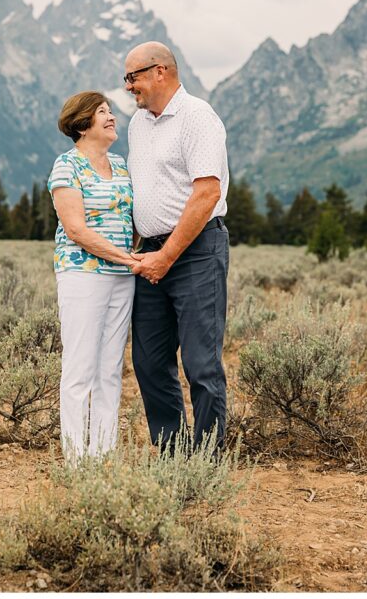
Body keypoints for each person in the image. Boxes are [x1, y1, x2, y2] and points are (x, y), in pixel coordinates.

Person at [123, 41, 229, 452]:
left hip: (197, 252)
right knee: (149, 362)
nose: (129, 87)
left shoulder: (198, 117)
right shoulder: (137, 124)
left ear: (160, 72)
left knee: (202, 364)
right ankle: (171, 455)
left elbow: (206, 193)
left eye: (132, 77)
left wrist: (167, 256)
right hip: (150, 252)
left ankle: (206, 462)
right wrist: (143, 251)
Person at [47, 92, 139, 462]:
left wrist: (130, 257)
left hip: (121, 277)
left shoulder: (120, 165)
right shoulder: (66, 166)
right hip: (83, 275)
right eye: (102, 112)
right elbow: (76, 230)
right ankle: (75, 460)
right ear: (83, 124)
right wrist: (128, 258)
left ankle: (102, 456)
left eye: (111, 111)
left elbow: (132, 219)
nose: (112, 117)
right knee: (80, 369)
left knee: (110, 369)